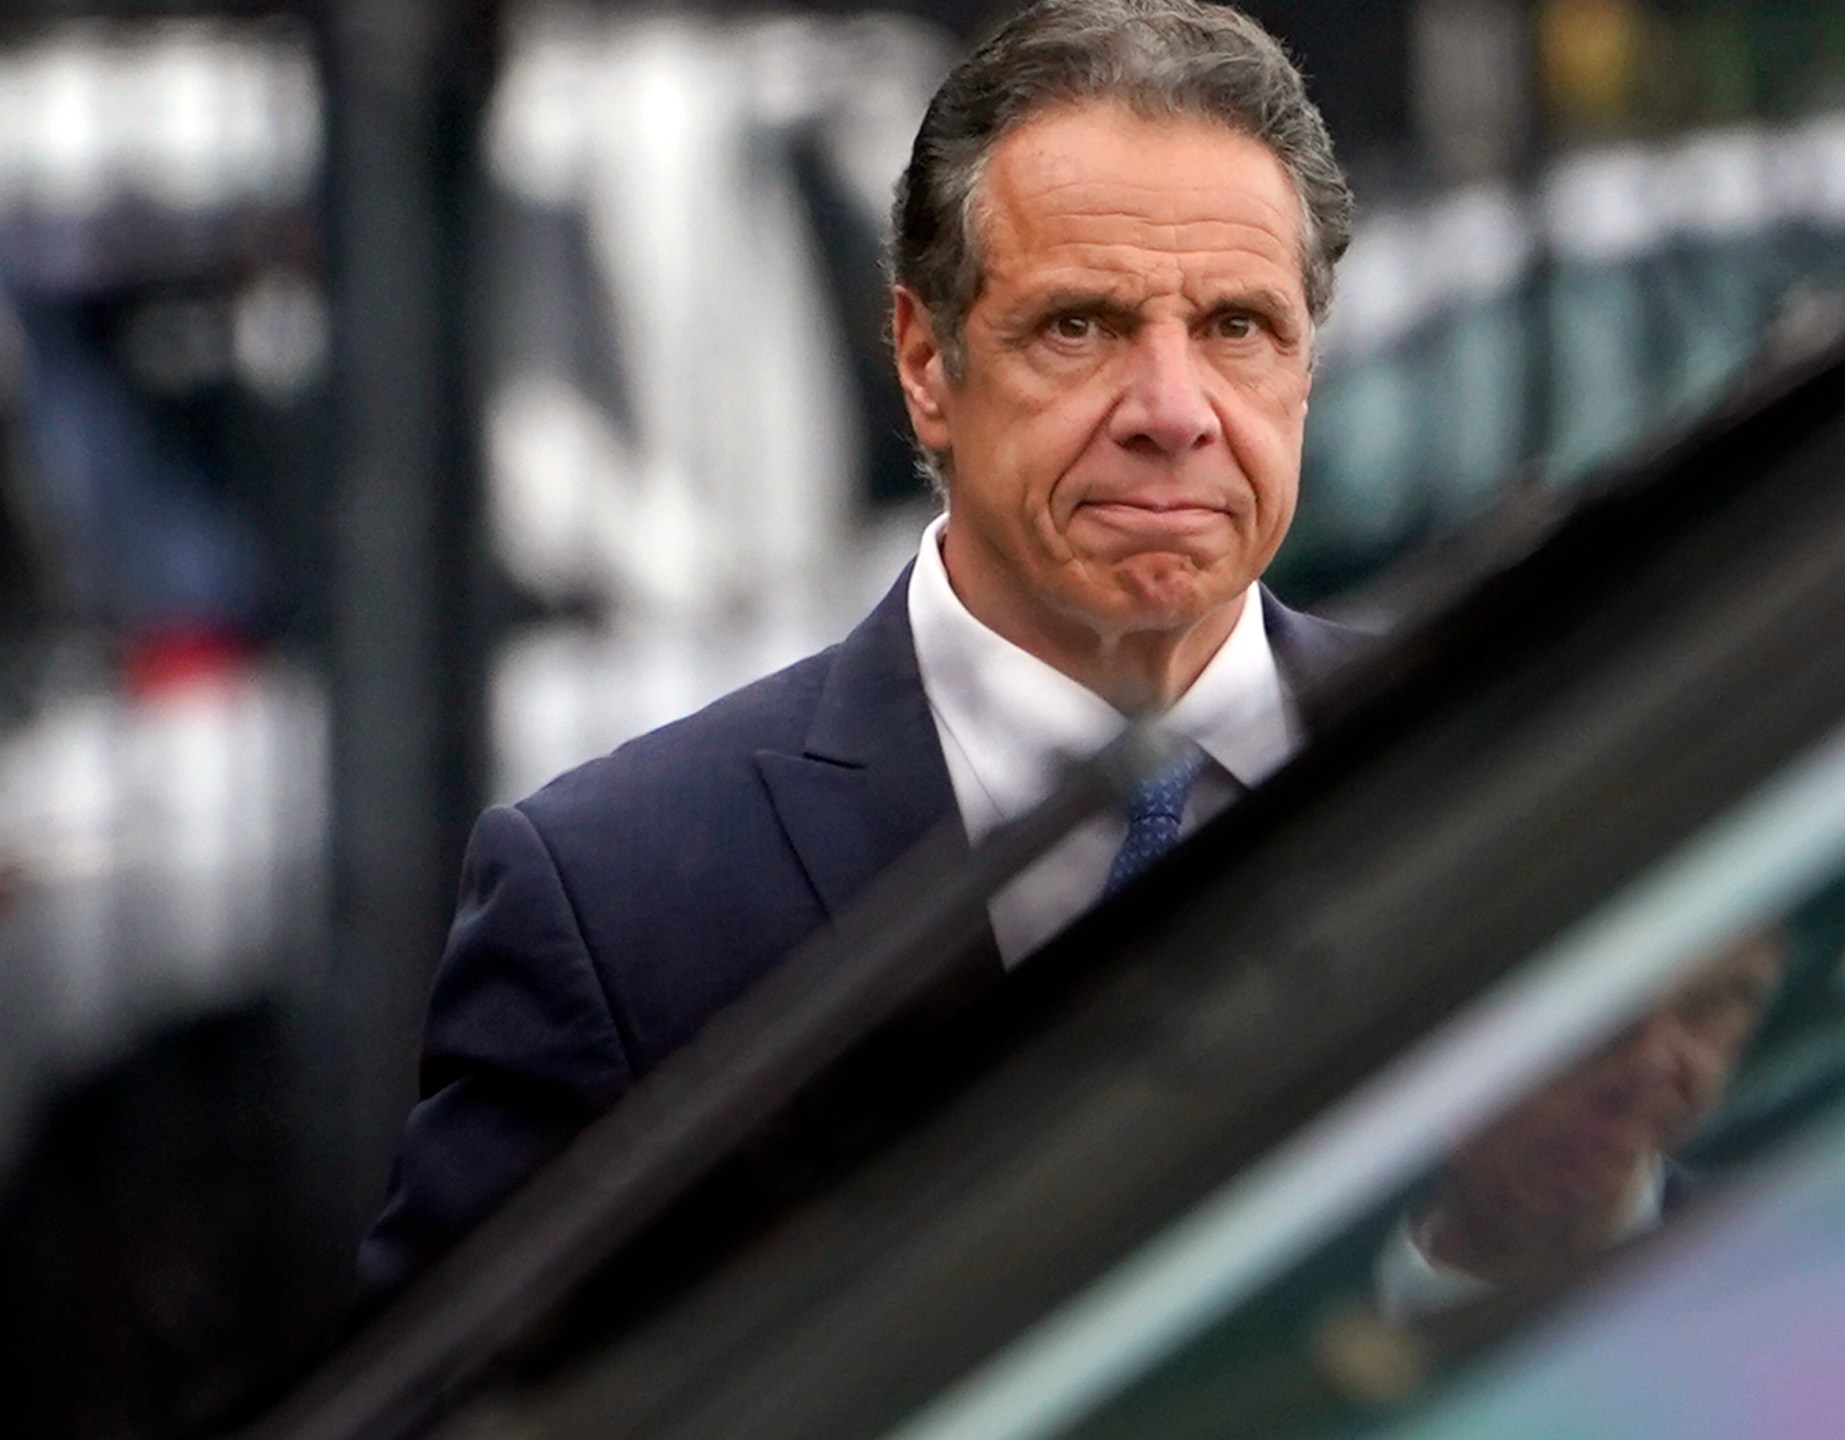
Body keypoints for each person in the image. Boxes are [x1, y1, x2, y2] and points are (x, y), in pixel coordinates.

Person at [360, 0, 1361, 1295]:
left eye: (1237, 327)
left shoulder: (1503, 757)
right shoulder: (618, 906)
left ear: (1306, 361)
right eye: (1081, 327)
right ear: (924, 362)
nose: (1174, 413)